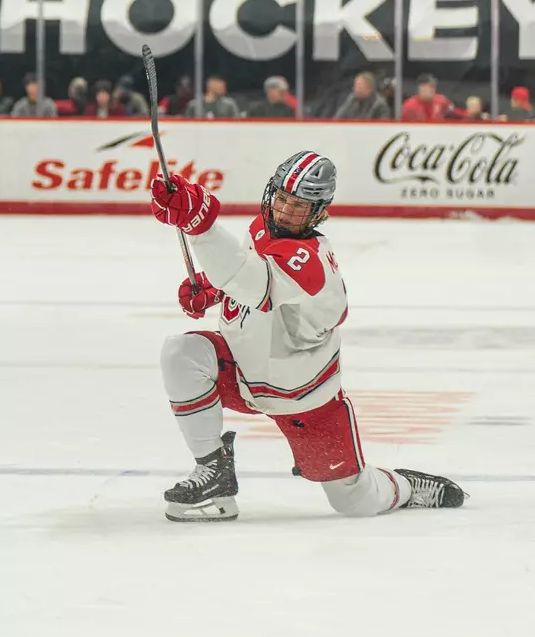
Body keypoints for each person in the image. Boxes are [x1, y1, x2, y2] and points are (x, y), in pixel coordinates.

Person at [150, 150, 466, 522]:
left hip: (304, 402)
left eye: (299, 206)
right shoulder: (261, 229)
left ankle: (406, 486)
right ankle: (213, 473)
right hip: (241, 374)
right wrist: (215, 289)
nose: (285, 211)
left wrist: (201, 227)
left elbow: (250, 280)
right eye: (282, 198)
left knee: (355, 501)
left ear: (318, 212)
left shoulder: (311, 263)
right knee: (182, 352)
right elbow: (247, 274)